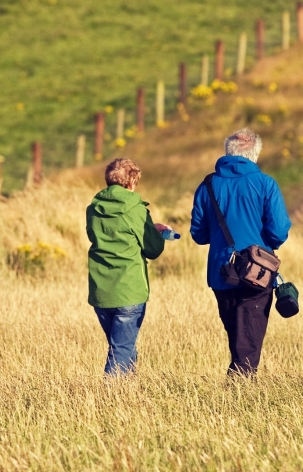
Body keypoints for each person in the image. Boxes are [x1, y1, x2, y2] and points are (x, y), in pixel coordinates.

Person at [190, 128, 291, 376]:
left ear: (228, 152)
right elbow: (279, 232)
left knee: (237, 338)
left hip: (221, 272)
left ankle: (238, 391)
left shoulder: (208, 185)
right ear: (255, 154)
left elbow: (198, 234)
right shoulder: (266, 184)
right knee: (248, 342)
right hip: (257, 272)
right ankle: (239, 394)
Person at [86, 158, 171, 375]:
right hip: (129, 290)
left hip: (101, 291)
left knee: (123, 347)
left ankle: (127, 395)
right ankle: (110, 397)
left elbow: (106, 233)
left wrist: (149, 227)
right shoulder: (136, 208)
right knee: (121, 349)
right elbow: (153, 249)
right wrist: (157, 234)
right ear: (132, 181)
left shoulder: (93, 209)